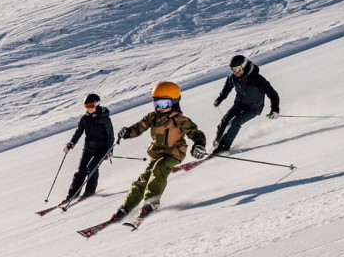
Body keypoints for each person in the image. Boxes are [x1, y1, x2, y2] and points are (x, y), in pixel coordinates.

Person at [112, 81, 206, 222]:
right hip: (157, 154)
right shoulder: (153, 117)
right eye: (156, 104)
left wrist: (199, 144)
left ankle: (152, 202)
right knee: (144, 179)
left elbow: (196, 133)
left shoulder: (180, 120)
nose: (159, 108)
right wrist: (128, 132)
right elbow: (139, 127)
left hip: (174, 153)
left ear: (174, 102)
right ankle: (127, 206)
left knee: (159, 169)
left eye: (164, 104)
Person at [212, 54, 280, 154]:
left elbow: (273, 94)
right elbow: (227, 88)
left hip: (254, 108)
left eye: (238, 69)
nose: (236, 72)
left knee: (235, 123)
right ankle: (217, 142)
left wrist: (275, 110)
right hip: (239, 104)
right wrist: (220, 99)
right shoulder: (233, 78)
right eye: (233, 70)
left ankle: (224, 147)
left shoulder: (257, 79)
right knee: (225, 120)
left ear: (244, 66)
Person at [62, 94, 115, 203]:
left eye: (91, 105)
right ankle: (72, 195)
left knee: (92, 168)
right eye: (86, 106)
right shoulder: (84, 119)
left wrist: (110, 151)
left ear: (96, 104)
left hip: (101, 150)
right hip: (88, 149)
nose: (89, 108)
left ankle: (89, 192)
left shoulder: (105, 119)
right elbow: (78, 133)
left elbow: (110, 136)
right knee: (81, 170)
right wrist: (71, 144)